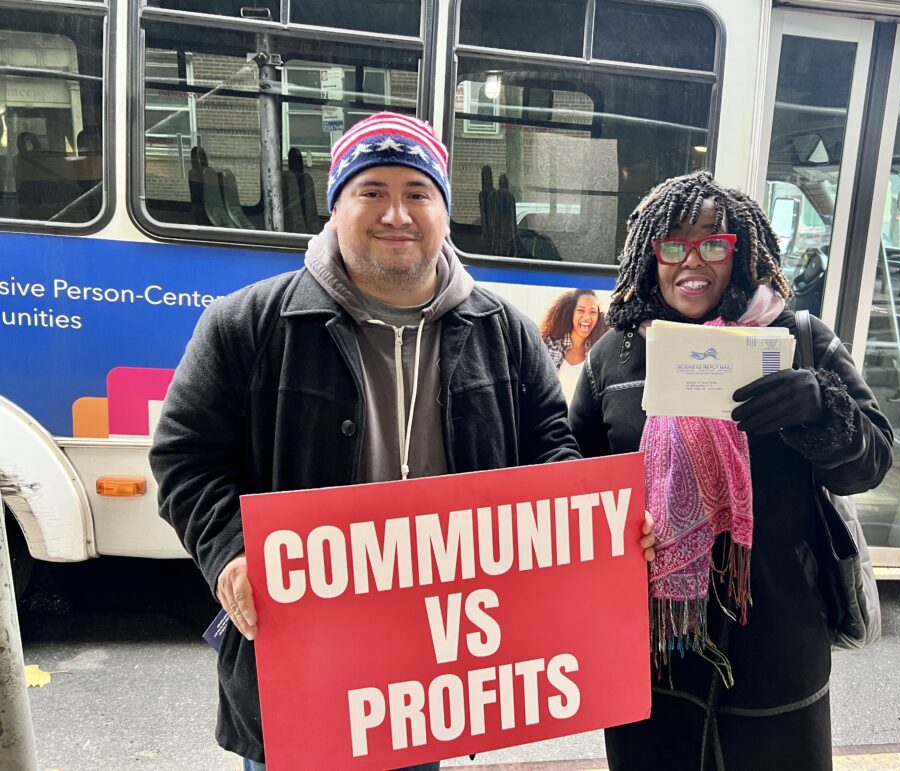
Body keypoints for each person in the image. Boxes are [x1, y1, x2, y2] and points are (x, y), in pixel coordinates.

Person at [150, 112, 656, 770]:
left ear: (443, 211)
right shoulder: (246, 324)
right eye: (372, 191)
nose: (397, 213)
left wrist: (601, 527)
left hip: (430, 674)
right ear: (336, 207)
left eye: (418, 193)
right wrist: (230, 552)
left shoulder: (505, 331)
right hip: (302, 663)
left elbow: (549, 446)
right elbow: (185, 459)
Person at [569, 172, 893, 770]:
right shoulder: (611, 357)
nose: (692, 261)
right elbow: (573, 485)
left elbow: (871, 463)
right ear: (651, 254)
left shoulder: (800, 341)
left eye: (713, 244)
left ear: (740, 251)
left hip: (776, 648)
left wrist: (822, 407)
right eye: (673, 245)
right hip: (652, 653)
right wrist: (613, 525)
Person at [540, 288, 609, 402]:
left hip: (581, 419)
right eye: (581, 310)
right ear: (571, 312)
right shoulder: (548, 344)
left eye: (593, 312)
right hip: (549, 417)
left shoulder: (598, 354)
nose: (587, 317)